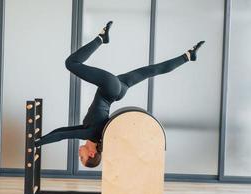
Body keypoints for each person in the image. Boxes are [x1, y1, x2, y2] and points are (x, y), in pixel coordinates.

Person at [35, 21, 205, 168]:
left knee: (153, 70)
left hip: (118, 91)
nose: (79, 154)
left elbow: (62, 130)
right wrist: (37, 144)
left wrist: (39, 140)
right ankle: (101, 38)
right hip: (109, 88)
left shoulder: (90, 133)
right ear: (92, 154)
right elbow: (62, 136)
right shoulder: (91, 134)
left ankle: (188, 56)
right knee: (71, 63)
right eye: (82, 157)